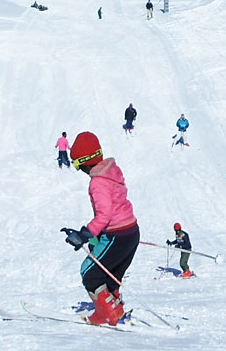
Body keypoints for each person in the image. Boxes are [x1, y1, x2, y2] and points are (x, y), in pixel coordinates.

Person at [60, 132, 140, 326]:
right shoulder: (112, 172)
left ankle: (108, 315)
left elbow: (104, 215)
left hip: (116, 235)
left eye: (78, 164)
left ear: (86, 161)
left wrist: (84, 235)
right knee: (110, 275)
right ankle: (115, 308)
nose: (79, 170)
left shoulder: (98, 182)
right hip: (131, 232)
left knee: (89, 272)